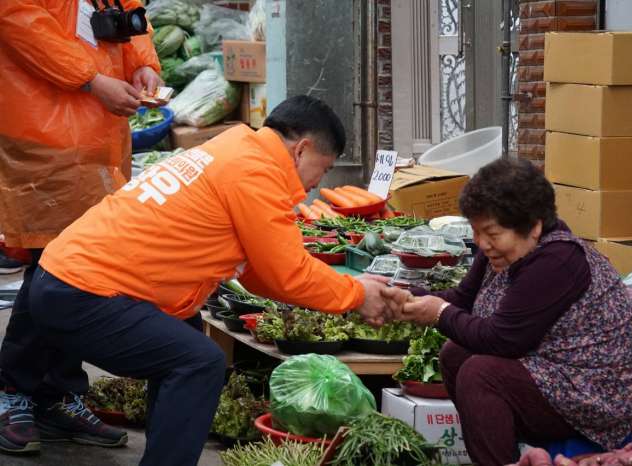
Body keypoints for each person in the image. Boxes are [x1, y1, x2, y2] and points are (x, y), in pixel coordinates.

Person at [14, 95, 389, 466]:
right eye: (322, 170)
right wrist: (356, 294)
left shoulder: (235, 147)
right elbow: (288, 274)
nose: (314, 185)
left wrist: (349, 293)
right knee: (199, 361)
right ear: (301, 150)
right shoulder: (258, 173)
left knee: (187, 335)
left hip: (63, 278)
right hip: (83, 293)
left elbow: (263, 275)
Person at [382, 158, 632, 466]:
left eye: (491, 233)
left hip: (591, 393)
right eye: (477, 232)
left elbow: (504, 340)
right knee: (456, 354)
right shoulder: (506, 249)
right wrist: (404, 298)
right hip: (547, 371)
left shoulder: (557, 261)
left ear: (533, 226)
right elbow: (463, 298)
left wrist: (438, 313)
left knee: (481, 374)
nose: (482, 244)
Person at [0, 0, 161, 454]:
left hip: (99, 133)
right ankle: (14, 391)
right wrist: (91, 79)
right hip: (43, 133)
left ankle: (58, 395)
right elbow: (20, 22)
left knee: (83, 270)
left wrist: (143, 64)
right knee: (51, 269)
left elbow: (130, 12)